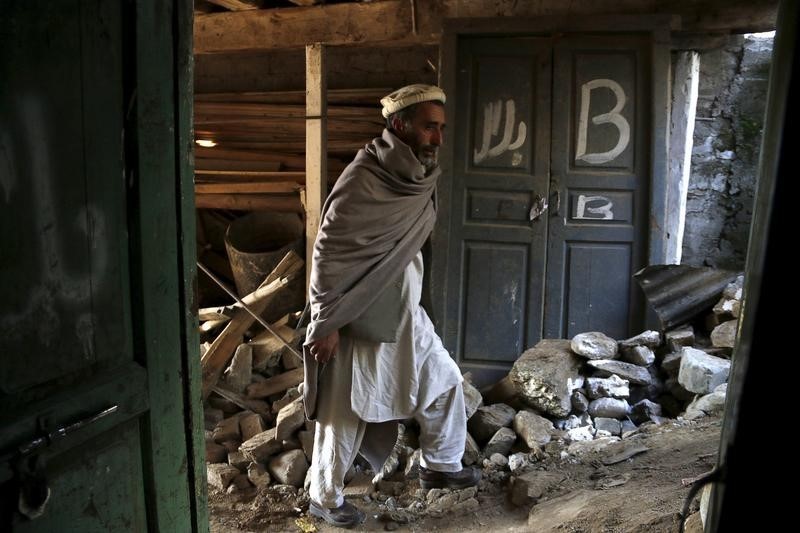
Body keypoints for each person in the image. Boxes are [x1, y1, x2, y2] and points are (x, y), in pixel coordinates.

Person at [302, 84, 481, 528]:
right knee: (345, 410)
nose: (438, 138)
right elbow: (329, 252)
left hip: (406, 313)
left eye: (441, 128)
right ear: (399, 126)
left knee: (443, 380)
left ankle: (441, 466)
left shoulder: (418, 177)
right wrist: (326, 320)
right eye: (428, 127)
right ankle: (324, 498)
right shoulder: (364, 178)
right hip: (359, 315)